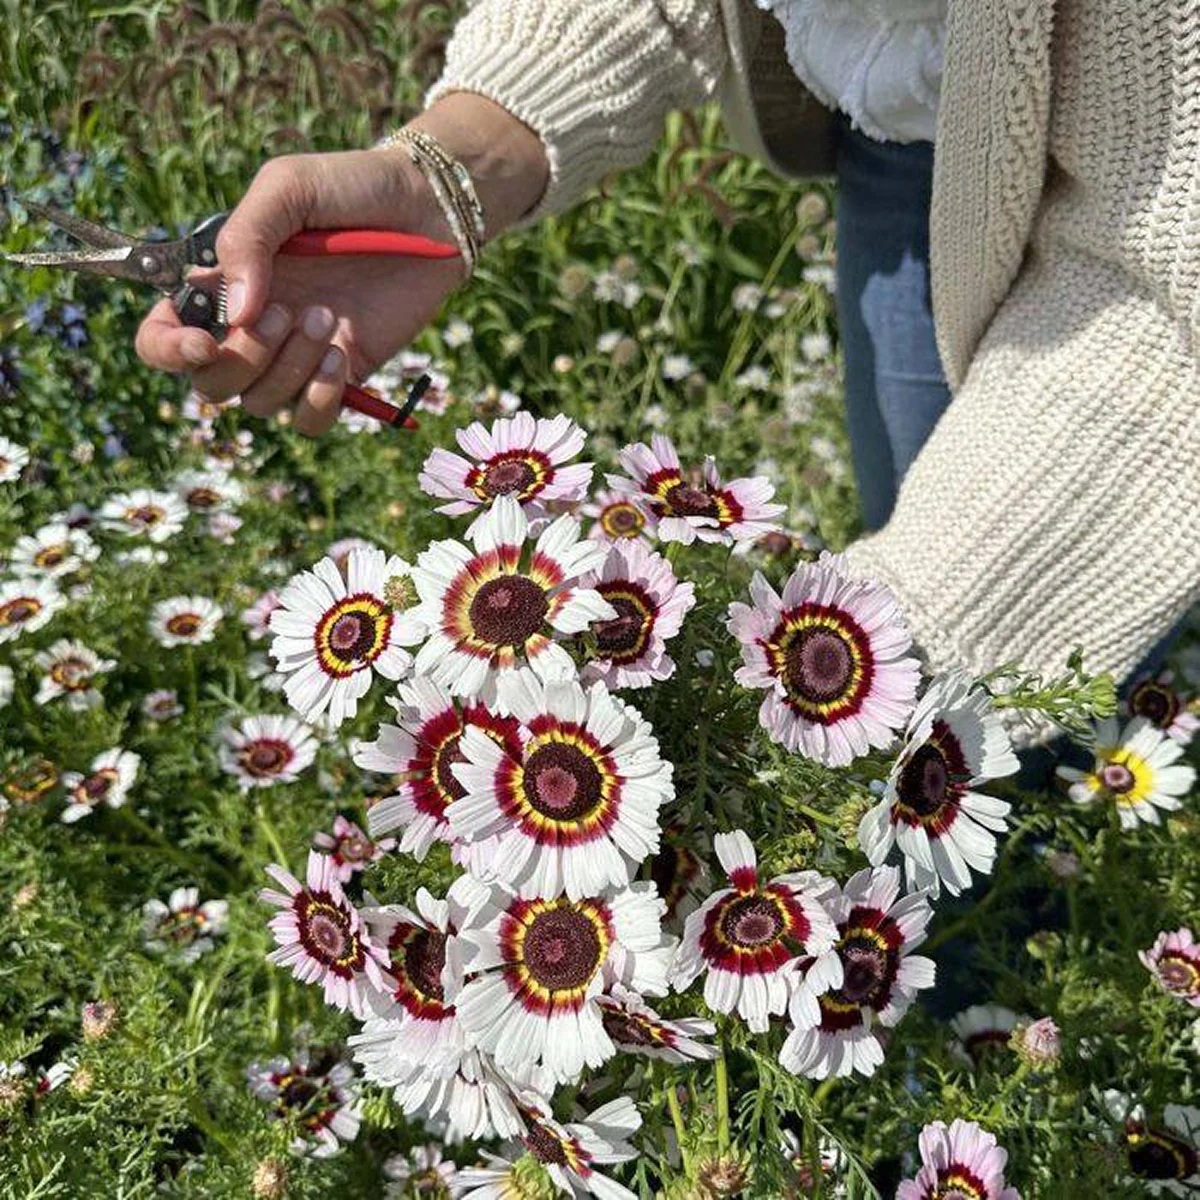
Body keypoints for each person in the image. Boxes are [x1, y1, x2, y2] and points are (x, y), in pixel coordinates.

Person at [134, 0, 1199, 726]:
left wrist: (852, 674)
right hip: (910, 130)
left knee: (1021, 700)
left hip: (1157, 200)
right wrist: (447, 177)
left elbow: (1163, 312)